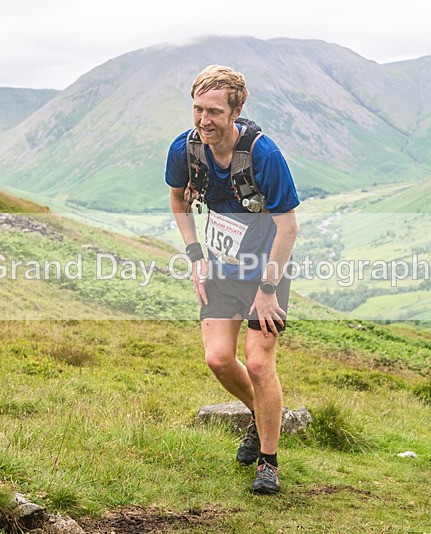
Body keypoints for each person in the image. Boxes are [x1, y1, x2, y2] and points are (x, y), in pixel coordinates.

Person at [165, 65, 299, 494]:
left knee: (259, 363)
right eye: (198, 109)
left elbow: (289, 226)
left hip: (267, 273)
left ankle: (269, 463)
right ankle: (261, 419)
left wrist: (267, 290)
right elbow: (177, 200)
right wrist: (195, 257)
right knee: (218, 359)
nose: (204, 120)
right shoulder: (185, 149)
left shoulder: (263, 155)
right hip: (221, 269)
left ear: (236, 110)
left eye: (214, 112)